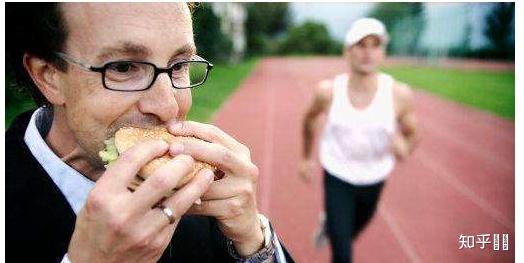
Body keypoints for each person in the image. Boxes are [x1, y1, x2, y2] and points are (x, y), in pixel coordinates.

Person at [6, 3, 294, 263]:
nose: (169, 106)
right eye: (123, 67)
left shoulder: (201, 191)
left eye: (179, 65)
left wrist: (255, 244)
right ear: (48, 75)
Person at [299, 18, 418, 263]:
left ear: (383, 52)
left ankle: (331, 225)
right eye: (361, 45)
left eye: (375, 45)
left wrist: (405, 147)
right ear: (347, 50)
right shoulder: (328, 91)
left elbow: (413, 133)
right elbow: (309, 120)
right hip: (337, 174)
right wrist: (306, 158)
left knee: (350, 231)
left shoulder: (399, 94)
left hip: (375, 177)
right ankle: (334, 226)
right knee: (342, 255)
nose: (368, 52)